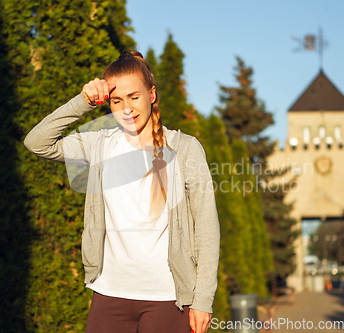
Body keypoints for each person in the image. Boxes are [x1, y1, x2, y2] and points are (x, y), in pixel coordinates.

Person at [24, 50, 220, 333]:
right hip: (109, 294)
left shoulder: (186, 148)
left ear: (152, 94)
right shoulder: (100, 145)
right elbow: (37, 142)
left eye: (134, 97)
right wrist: (83, 102)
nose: (126, 109)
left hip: (168, 298)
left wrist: (203, 299)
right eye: (117, 100)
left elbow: (206, 226)